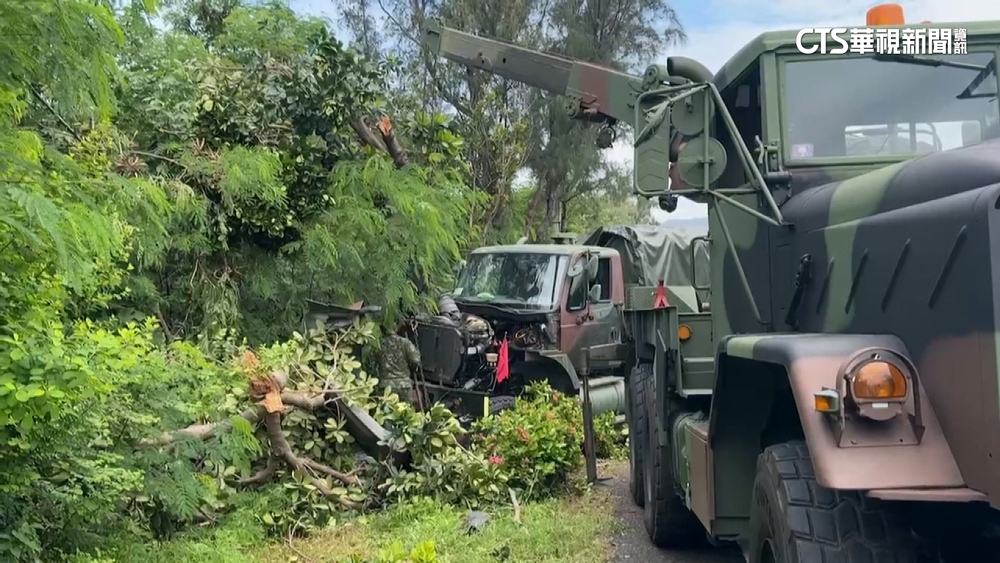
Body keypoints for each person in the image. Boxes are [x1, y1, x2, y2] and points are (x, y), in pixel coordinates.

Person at [377, 322, 422, 406]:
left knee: (386, 411)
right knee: (405, 412)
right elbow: (415, 360)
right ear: (396, 328)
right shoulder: (405, 343)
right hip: (403, 385)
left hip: (385, 385)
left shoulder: (379, 344)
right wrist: (413, 369)